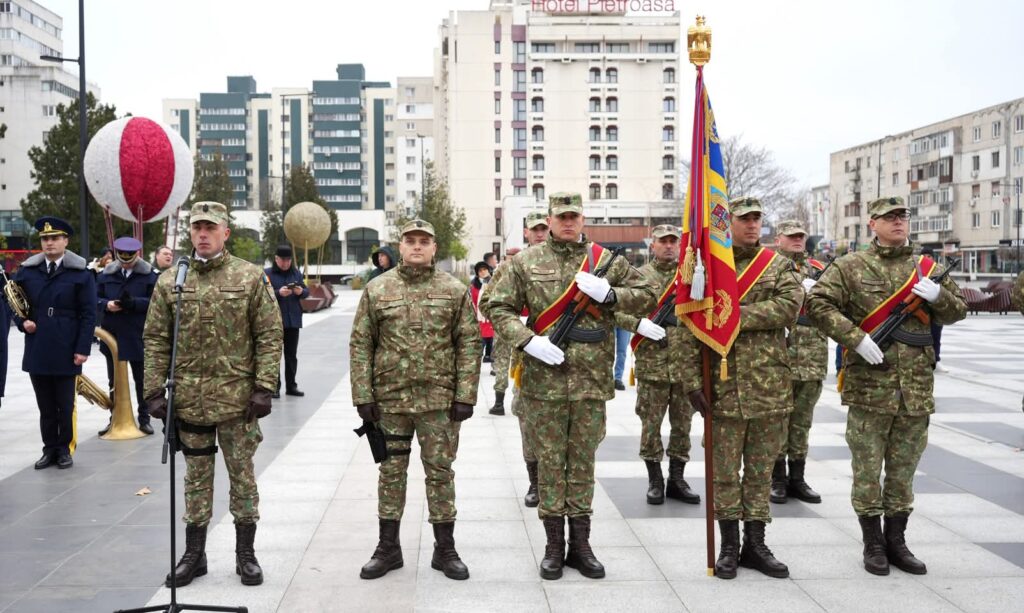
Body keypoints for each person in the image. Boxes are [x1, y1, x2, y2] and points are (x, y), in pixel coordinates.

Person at [483, 193, 655, 581]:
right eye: (560, 216)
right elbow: (495, 307)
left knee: (581, 464)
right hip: (543, 382)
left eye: (573, 216)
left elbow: (648, 295)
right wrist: (528, 340)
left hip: (590, 383)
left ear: (583, 218)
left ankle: (581, 544)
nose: (567, 222)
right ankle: (553, 545)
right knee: (548, 465)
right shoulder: (525, 262)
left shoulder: (606, 262)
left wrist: (611, 295)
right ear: (549, 219)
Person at [807, 196, 966, 577]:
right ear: (872, 224)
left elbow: (958, 310)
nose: (898, 222)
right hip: (869, 390)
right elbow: (818, 303)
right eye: (889, 217)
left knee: (902, 472)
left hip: (915, 391)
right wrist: (855, 338)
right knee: (867, 471)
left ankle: (897, 540)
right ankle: (872, 542)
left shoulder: (927, 268)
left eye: (903, 216)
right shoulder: (850, 266)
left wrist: (939, 296)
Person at [143, 201, 283, 587]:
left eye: (210, 228)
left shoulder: (250, 277)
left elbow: (270, 335)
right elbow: (155, 338)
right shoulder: (172, 279)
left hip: (238, 402)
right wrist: (154, 390)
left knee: (242, 476)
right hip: (189, 399)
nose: (202, 234)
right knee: (196, 478)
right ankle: (194, 554)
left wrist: (264, 386)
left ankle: (245, 554)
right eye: (196, 228)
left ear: (226, 233)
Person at [350, 219, 479, 581]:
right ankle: (388, 548)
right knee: (391, 473)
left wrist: (465, 394)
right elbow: (361, 343)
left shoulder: (453, 290)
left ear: (434, 248)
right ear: (400, 246)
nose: (418, 246)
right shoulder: (378, 290)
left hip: (439, 401)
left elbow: (468, 343)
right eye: (411, 241)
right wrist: (363, 395)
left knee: (440, 473)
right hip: (390, 401)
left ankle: (445, 548)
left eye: (425, 241)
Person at [708, 198, 802, 580]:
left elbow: (789, 307)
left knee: (761, 472)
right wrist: (688, 382)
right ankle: (729, 545)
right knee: (725, 473)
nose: (751, 225)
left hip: (769, 387)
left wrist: (732, 314)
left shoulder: (779, 265)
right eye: (743, 219)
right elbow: (690, 327)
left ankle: (756, 544)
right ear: (726, 222)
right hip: (722, 385)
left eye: (756, 219)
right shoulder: (711, 267)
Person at [615, 224, 702, 506]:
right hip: (652, 365)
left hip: (685, 366)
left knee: (682, 426)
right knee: (650, 426)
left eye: (673, 242)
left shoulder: (693, 276)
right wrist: (638, 325)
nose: (668, 246)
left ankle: (677, 478)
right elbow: (614, 312)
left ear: (680, 245)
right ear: (652, 246)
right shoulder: (639, 277)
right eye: (662, 242)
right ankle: (655, 480)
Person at [13, 217, 96, 470]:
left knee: (64, 403)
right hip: (38, 346)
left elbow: (88, 313)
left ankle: (64, 449)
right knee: (45, 405)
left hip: (66, 345)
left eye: (54, 238)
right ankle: (49, 449)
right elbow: (15, 302)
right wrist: (21, 322)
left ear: (65, 241)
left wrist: (82, 348)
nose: (49, 243)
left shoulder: (80, 274)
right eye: (45, 239)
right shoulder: (28, 272)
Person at [484, 211, 549, 497]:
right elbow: (488, 302)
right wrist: (515, 324)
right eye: (534, 230)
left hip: (557, 353)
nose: (539, 234)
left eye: (543, 229)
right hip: (523, 351)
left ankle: (554, 481)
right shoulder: (512, 266)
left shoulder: (565, 263)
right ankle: (535, 481)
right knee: (526, 416)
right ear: (526, 233)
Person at [770, 220, 828, 505]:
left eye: (800, 236)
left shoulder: (818, 269)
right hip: (779, 357)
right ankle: (777, 478)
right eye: (791, 236)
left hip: (812, 357)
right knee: (778, 422)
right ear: (778, 238)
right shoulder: (768, 268)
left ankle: (798, 477)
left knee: (802, 423)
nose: (796, 241)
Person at [96, 236, 159, 436]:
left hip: (137, 334)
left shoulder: (149, 275)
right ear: (116, 256)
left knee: (141, 380)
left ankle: (144, 418)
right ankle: (115, 418)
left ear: (137, 254)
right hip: (112, 334)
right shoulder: (105, 274)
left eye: (129, 257)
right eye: (122, 257)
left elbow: (155, 302)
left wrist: (134, 303)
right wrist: (106, 305)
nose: (126, 260)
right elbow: (93, 298)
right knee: (113, 380)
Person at [266, 244, 309, 398]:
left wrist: (300, 291)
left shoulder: (296, 273)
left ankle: (291, 386)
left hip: (293, 321)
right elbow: (263, 293)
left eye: (288, 260)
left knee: (291, 356)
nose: (285, 263)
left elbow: (306, 292)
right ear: (276, 259)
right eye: (282, 260)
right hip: (274, 322)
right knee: (274, 355)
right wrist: (278, 293)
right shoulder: (267, 274)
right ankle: (274, 388)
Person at [485, 246, 520, 415]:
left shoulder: (502, 270)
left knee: (507, 361)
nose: (511, 259)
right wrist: (497, 318)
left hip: (518, 323)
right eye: (510, 256)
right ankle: (502, 401)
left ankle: (503, 402)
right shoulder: (505, 270)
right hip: (508, 322)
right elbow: (486, 299)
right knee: (505, 361)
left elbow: (486, 299)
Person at [471, 261, 494, 363]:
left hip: (492, 316)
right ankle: (477, 362)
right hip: (479, 318)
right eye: (480, 271)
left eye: (485, 269)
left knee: (493, 341)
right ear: (477, 273)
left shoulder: (495, 281)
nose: (483, 272)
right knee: (481, 341)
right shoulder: (474, 286)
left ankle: (491, 361)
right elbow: (472, 301)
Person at [613, 326, 629, 390]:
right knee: (607, 350)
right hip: (611, 321)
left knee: (622, 352)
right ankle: (605, 377)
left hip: (625, 323)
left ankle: (618, 378)